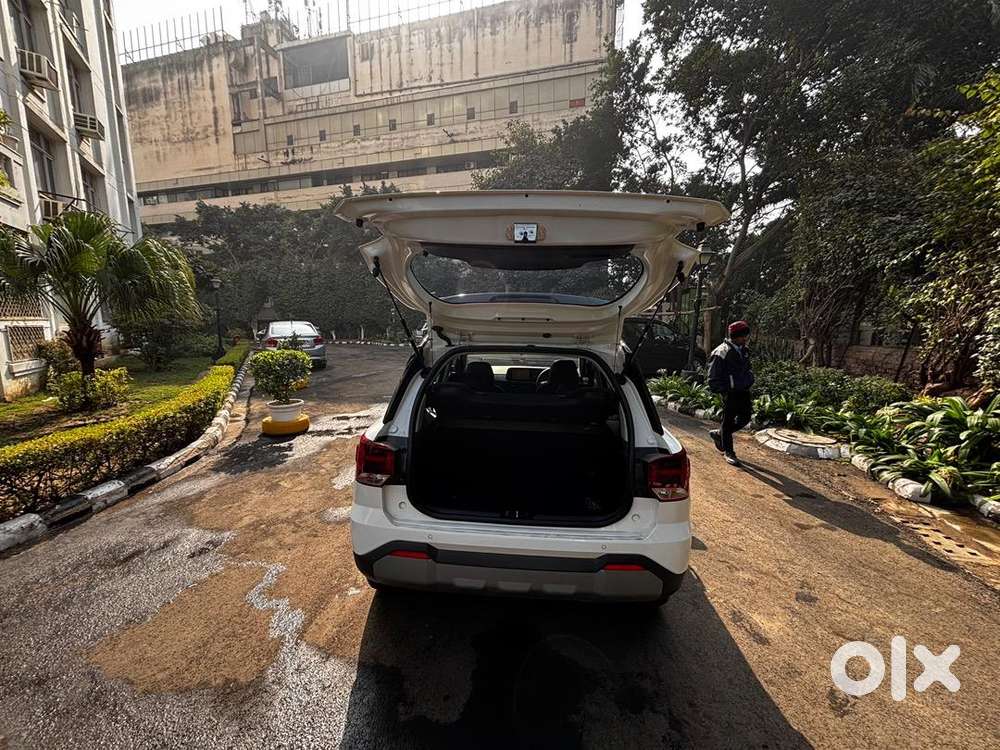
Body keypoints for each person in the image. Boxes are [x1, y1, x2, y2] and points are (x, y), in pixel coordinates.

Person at [707, 321, 755, 467]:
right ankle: (729, 451)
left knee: (745, 417)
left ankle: (720, 434)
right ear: (735, 336)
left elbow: (747, 369)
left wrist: (749, 379)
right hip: (730, 393)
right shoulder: (721, 352)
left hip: (744, 390)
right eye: (742, 336)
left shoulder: (744, 350)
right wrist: (723, 390)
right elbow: (713, 376)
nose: (745, 338)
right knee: (728, 422)